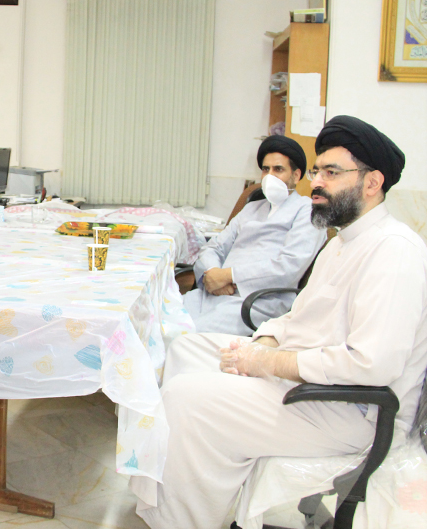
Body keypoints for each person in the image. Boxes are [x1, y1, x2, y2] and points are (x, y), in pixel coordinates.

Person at [131, 115, 427, 529]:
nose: (316, 183)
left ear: (372, 182)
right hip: (315, 385)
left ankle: (181, 520)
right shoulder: (342, 244)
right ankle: (184, 491)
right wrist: (264, 343)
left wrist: (269, 363)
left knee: (186, 397)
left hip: (352, 414)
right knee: (186, 349)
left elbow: (371, 364)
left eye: (331, 173)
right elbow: (298, 315)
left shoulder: (394, 252)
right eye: (317, 171)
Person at [183, 135, 326, 335]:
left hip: (256, 303)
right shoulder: (252, 208)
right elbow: (214, 247)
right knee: (155, 323)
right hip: (214, 293)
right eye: (266, 170)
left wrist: (228, 275)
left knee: (185, 336)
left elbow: (288, 267)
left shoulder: (308, 211)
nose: (270, 176)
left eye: (278, 169)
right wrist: (212, 273)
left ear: (296, 175)